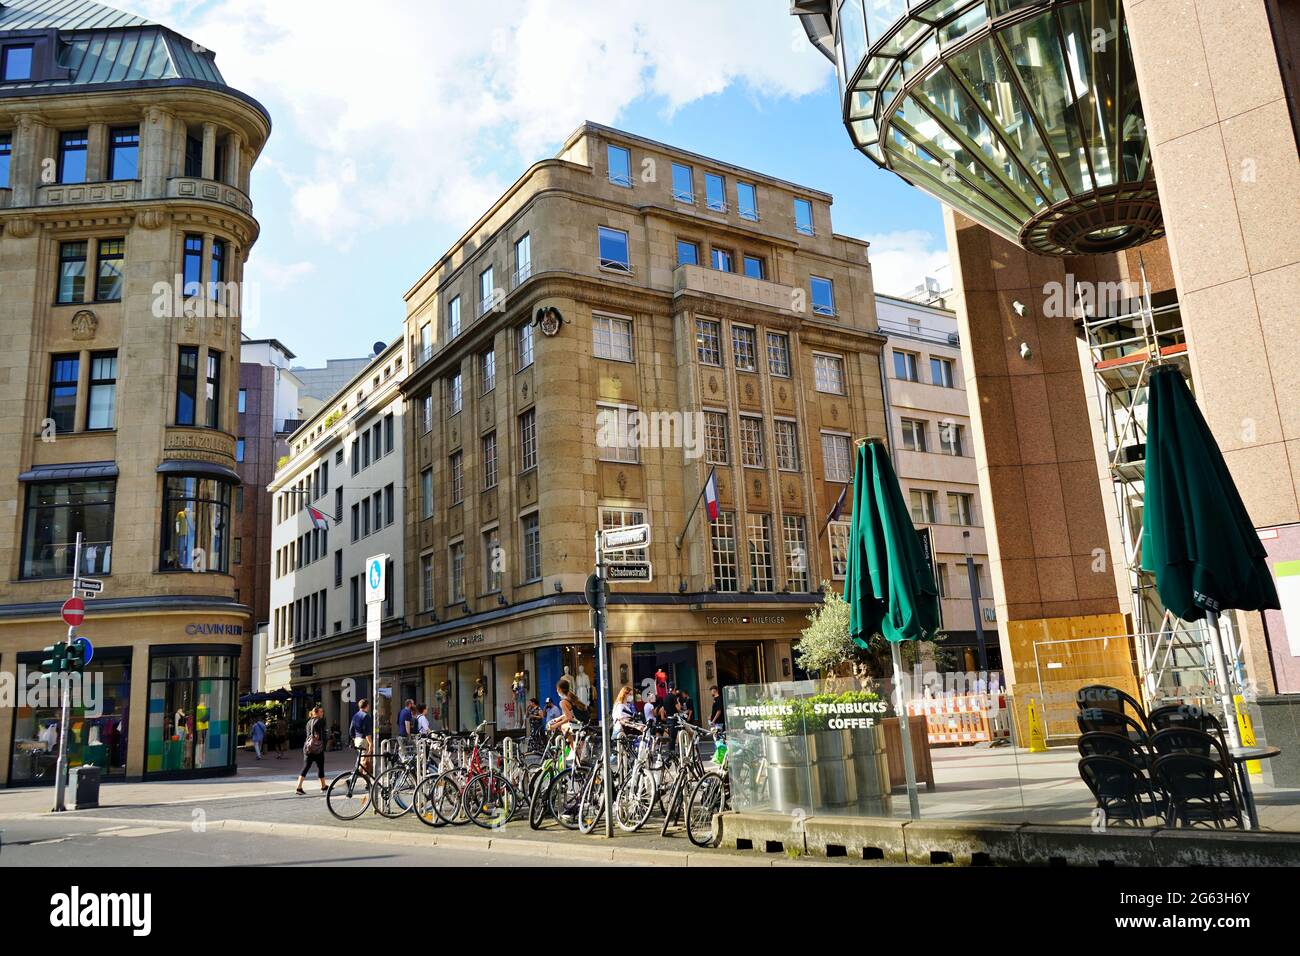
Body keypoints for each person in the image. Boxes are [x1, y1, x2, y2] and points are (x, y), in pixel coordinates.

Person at [296, 706, 328, 795]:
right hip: (317, 748)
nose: (322, 713)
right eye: (321, 712)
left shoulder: (309, 722)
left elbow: (308, 734)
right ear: (316, 713)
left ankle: (299, 787)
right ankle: (323, 786)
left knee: (305, 767)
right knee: (320, 767)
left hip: (308, 747)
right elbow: (320, 735)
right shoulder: (320, 721)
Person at [349, 699, 374, 774]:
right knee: (365, 762)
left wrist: (354, 738)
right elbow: (367, 732)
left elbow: (351, 730)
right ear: (367, 706)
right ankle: (351, 779)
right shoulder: (366, 716)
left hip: (357, 740)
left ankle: (367, 782)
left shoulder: (355, 715)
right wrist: (370, 744)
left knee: (361, 760)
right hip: (364, 740)